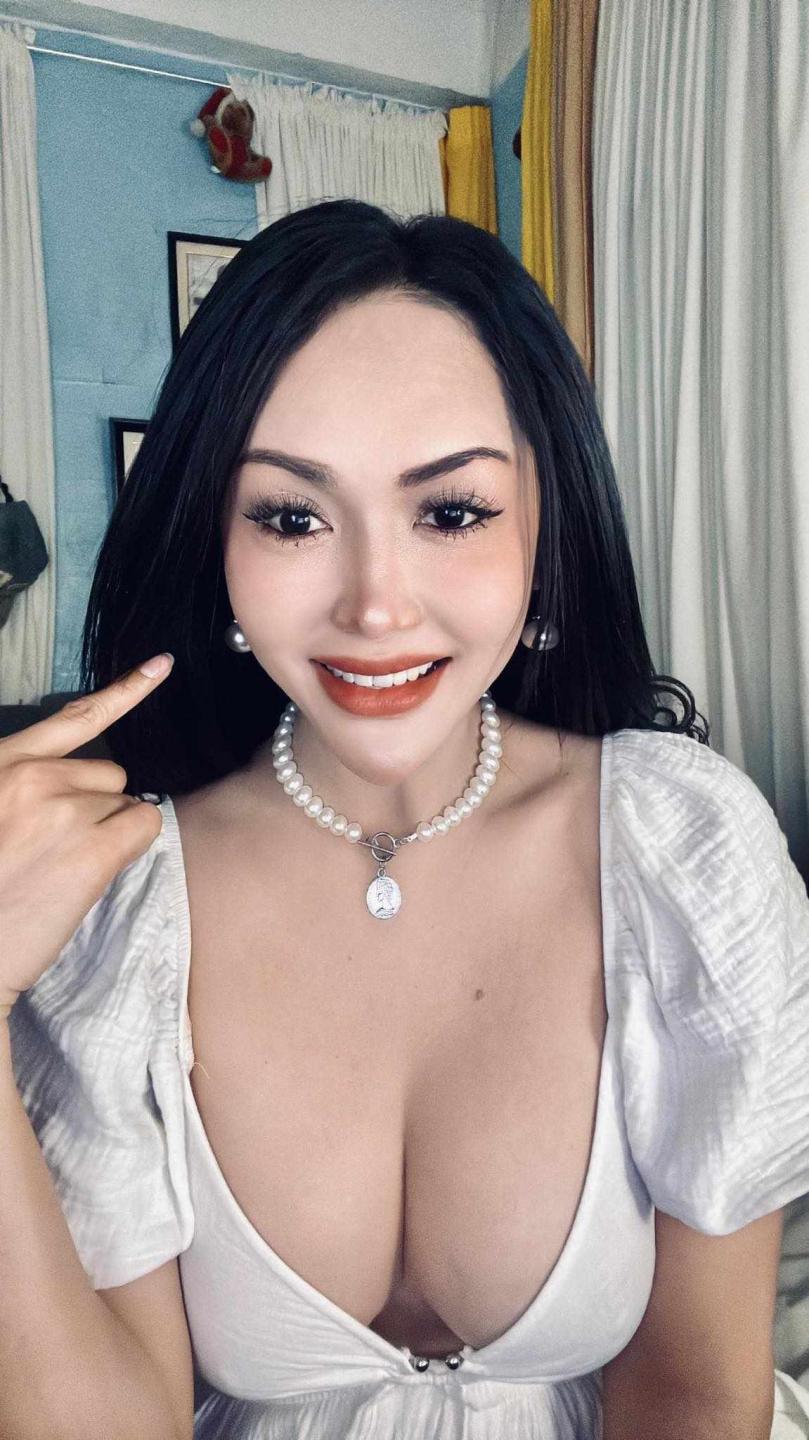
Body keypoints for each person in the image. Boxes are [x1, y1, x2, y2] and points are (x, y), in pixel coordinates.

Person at [1, 198, 808, 1440]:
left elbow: (697, 1394)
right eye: (290, 516)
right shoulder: (124, 904)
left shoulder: (679, 853)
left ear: (541, 519)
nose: (375, 607)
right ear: (216, 538)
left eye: (450, 512)